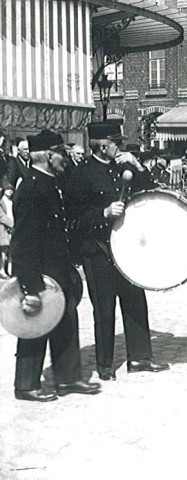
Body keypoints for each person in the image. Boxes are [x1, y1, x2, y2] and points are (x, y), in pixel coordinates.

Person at [66, 122, 169, 380]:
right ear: (103, 145)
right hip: (98, 250)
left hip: (126, 247)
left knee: (135, 300)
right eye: (117, 143)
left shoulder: (123, 167)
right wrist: (103, 213)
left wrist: (137, 164)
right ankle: (105, 365)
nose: (120, 147)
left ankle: (141, 357)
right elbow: (73, 219)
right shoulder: (82, 174)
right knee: (104, 307)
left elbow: (149, 188)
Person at [12, 130, 100, 401]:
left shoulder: (53, 184)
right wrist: (30, 287)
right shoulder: (30, 188)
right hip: (40, 271)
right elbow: (23, 243)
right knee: (35, 323)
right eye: (62, 152)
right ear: (49, 155)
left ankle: (68, 377)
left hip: (59, 269)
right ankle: (26, 385)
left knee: (66, 322)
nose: (66, 157)